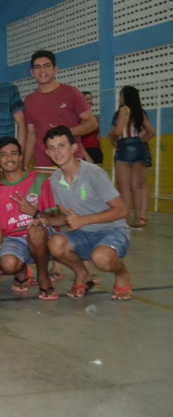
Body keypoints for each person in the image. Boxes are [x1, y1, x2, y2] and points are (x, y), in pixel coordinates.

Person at [43, 126, 133, 300]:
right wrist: (46, 220)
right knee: (55, 244)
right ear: (47, 152)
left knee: (102, 259)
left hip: (112, 231)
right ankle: (82, 273)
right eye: (52, 147)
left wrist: (84, 220)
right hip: (83, 234)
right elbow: (65, 217)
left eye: (62, 146)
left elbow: (122, 210)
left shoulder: (93, 173)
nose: (57, 152)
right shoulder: (55, 179)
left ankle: (122, 273)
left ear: (73, 148)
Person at [0, 137, 59, 301]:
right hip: (15, 239)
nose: (9, 158)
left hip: (42, 235)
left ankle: (43, 276)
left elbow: (54, 218)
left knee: (35, 230)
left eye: (13, 153)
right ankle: (22, 272)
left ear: (20, 157)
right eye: (4, 155)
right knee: (7, 263)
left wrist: (33, 212)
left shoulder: (38, 179)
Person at [23, 50, 97, 172]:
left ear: (55, 69)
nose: (42, 71)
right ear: (32, 72)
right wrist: (24, 165)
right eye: (37, 67)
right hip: (43, 165)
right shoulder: (29, 100)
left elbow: (92, 123)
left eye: (47, 66)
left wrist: (66, 132)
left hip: (71, 161)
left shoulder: (71, 92)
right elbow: (31, 135)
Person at [109, 85, 155, 229]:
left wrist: (113, 138)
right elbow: (151, 132)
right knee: (139, 186)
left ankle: (123, 218)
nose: (120, 98)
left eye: (121, 95)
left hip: (124, 148)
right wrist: (139, 141)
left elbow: (117, 131)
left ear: (125, 97)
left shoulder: (123, 110)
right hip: (138, 148)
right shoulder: (140, 112)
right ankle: (141, 219)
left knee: (124, 187)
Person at [80, 91, 103, 165]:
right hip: (84, 151)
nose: (90, 101)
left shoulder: (94, 118)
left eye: (90, 99)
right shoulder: (77, 118)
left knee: (97, 175)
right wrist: (86, 156)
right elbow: (76, 140)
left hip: (95, 151)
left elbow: (98, 136)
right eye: (87, 99)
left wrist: (101, 150)